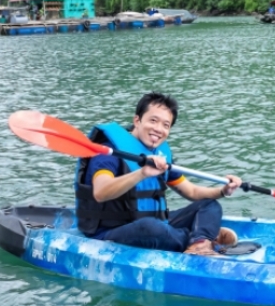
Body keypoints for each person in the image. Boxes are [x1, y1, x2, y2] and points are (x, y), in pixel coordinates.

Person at [76, 92, 243, 255]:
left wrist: (223, 190)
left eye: (166, 125)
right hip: (112, 231)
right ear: (137, 120)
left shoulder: (160, 153)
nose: (158, 129)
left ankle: (200, 241)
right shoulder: (110, 153)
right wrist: (141, 173)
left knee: (209, 205)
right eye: (153, 121)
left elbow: (191, 191)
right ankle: (202, 238)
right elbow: (100, 192)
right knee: (150, 228)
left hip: (156, 222)